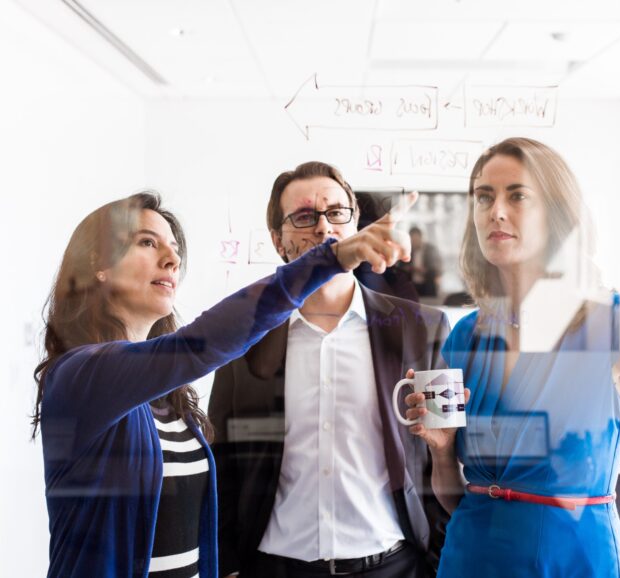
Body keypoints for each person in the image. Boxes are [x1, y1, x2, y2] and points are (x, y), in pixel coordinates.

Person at [405, 137, 620, 577]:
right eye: (484, 197)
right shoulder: (466, 336)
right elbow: (460, 498)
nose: (496, 211)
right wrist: (441, 453)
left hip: (574, 564)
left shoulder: (616, 325)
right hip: (470, 561)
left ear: (558, 215)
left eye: (517, 196)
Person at [32, 189, 415, 578]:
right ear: (98, 264)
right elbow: (202, 343)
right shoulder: (81, 375)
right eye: (147, 242)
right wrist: (333, 257)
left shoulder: (165, 397)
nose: (172, 259)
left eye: (174, 248)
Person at [208, 162, 450, 578]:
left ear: (356, 225)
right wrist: (227, 566)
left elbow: (442, 453)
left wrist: (438, 561)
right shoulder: (245, 334)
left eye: (337, 212)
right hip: (274, 568)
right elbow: (222, 463)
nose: (324, 228)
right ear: (278, 240)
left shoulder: (421, 329)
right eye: (304, 217)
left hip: (394, 566)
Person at [407, 227, 443, 298]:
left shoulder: (431, 249)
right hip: (413, 285)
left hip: (428, 284)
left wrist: (424, 270)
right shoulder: (408, 251)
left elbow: (436, 268)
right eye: (412, 240)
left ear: (421, 238)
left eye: (416, 239)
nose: (414, 242)